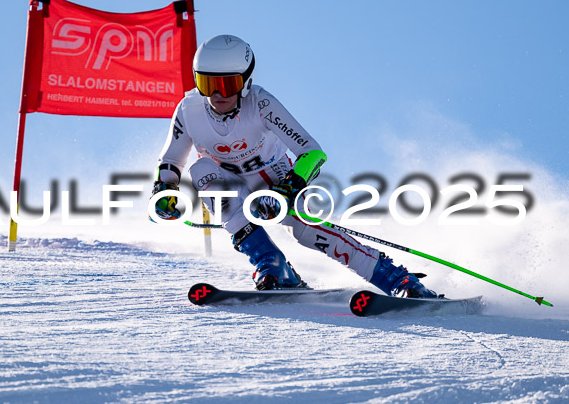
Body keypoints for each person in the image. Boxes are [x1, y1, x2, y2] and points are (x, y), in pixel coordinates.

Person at [151, 34, 437, 297]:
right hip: (229, 184)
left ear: (246, 81)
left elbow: (313, 153)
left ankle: (399, 281)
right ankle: (273, 266)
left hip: (274, 180)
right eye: (207, 84)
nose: (217, 95)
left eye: (227, 85)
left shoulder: (261, 104)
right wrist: (165, 190)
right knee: (200, 171)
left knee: (307, 232)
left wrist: (289, 187)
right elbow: (171, 160)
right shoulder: (189, 110)